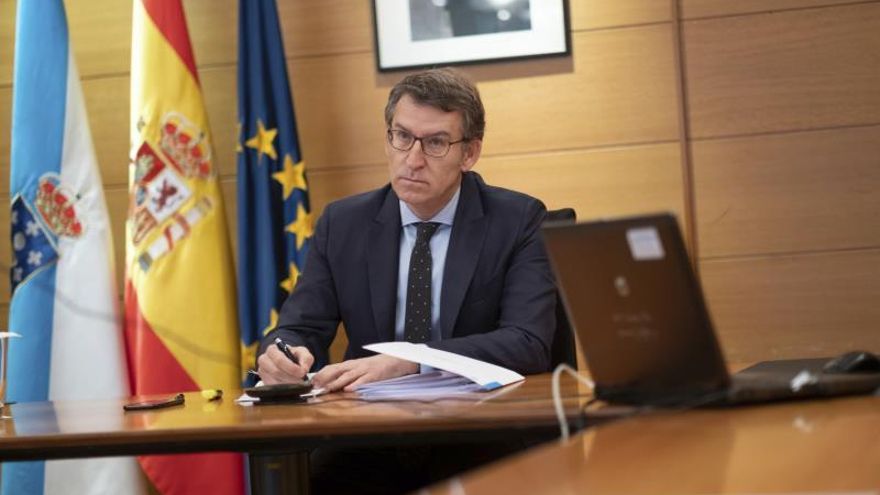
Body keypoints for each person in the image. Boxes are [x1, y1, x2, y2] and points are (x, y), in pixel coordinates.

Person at [255, 67, 557, 492]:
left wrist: (412, 359)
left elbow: (529, 343)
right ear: (388, 138)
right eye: (402, 137)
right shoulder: (343, 224)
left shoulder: (519, 221)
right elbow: (299, 326)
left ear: (469, 153)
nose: (413, 159)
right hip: (367, 438)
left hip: (479, 432)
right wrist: (280, 354)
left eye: (435, 143)